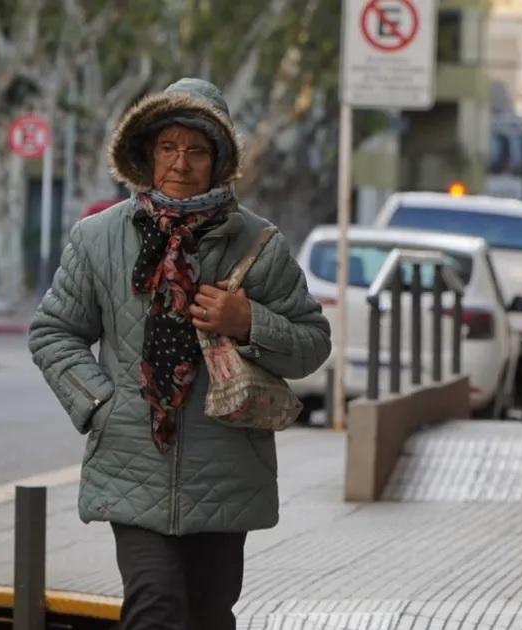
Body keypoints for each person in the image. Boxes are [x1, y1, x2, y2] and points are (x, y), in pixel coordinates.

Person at [28, 78, 332, 629]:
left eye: (197, 150)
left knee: (209, 615)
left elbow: (312, 344)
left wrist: (248, 322)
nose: (181, 163)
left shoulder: (260, 245)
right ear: (145, 154)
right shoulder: (97, 239)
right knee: (155, 605)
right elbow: (54, 331)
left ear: (220, 162)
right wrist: (101, 403)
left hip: (227, 470)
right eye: (168, 148)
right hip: (132, 462)